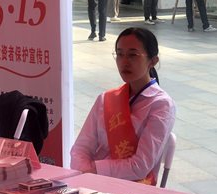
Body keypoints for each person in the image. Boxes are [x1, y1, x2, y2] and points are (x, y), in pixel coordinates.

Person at [71, 27, 176, 185]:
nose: (124, 62)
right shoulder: (105, 99)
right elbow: (81, 148)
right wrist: (84, 175)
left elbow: (140, 166)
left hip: (132, 188)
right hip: (92, 182)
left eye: (133, 55)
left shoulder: (161, 105)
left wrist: (95, 172)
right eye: (120, 54)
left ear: (153, 61)